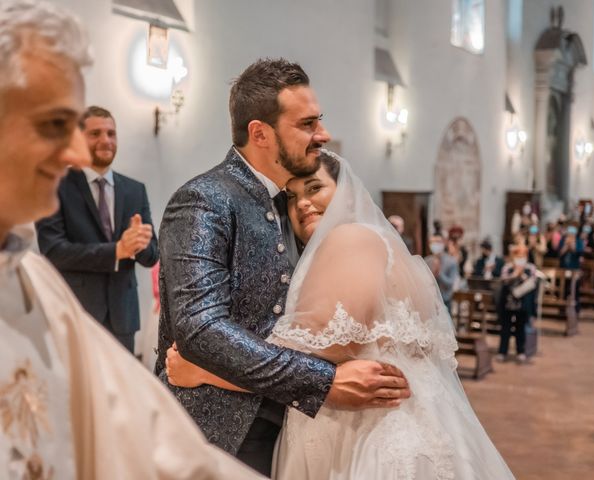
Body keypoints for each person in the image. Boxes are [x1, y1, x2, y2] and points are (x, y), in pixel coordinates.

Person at [0, 1, 265, 478]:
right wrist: (113, 251)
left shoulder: (33, 284)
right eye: (53, 125)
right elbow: (58, 248)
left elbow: (145, 428)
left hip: (119, 312)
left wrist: (140, 246)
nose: (78, 152)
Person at [167, 152, 515, 479]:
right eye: (291, 197)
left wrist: (205, 370)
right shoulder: (376, 244)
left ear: (346, 193)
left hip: (368, 437)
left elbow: (312, 353)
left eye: (315, 188)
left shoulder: (349, 239)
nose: (303, 203)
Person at [155, 58, 410, 476]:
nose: (323, 135)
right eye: (307, 124)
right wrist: (323, 382)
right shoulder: (205, 199)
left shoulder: (294, 208)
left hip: (292, 428)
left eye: (319, 121)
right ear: (260, 133)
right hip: (220, 432)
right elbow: (200, 329)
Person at [36, 106, 158, 352]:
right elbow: (53, 251)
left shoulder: (135, 190)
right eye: (95, 134)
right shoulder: (55, 186)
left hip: (123, 317)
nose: (106, 140)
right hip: (76, 313)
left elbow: (152, 256)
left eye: (111, 134)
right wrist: (116, 251)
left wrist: (141, 244)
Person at [497, 244, 537, 364]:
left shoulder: (530, 268)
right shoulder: (507, 267)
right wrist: (514, 274)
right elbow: (503, 280)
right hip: (508, 303)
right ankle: (502, 352)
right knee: (505, 328)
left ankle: (521, 351)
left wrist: (522, 274)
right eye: (518, 256)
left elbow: (533, 283)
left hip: (523, 304)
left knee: (520, 328)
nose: (520, 259)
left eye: (522, 256)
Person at [425, 233, 459, 311]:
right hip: (430, 301)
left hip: (445, 300)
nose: (435, 245)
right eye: (432, 242)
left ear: (443, 243)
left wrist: (439, 273)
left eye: (438, 242)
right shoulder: (426, 261)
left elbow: (450, 283)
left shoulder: (451, 261)